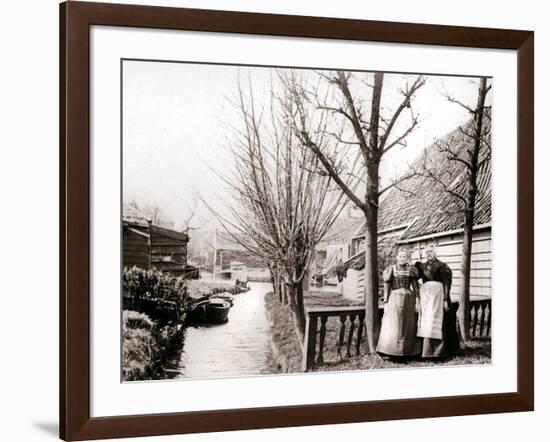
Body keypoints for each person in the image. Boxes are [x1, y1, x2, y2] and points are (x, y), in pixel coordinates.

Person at [415, 243, 460, 358]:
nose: (429, 254)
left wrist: (445, 300)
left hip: (439, 297)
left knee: (440, 321)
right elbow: (414, 278)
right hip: (427, 298)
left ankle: (439, 352)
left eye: (431, 252)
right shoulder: (422, 266)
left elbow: (446, 284)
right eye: (427, 252)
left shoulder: (442, 266)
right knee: (427, 321)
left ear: (435, 253)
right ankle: (426, 351)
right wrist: (418, 291)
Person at [376, 247, 421, 358]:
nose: (402, 258)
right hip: (395, 299)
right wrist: (386, 302)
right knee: (394, 324)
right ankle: (391, 351)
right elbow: (387, 286)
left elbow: (415, 286)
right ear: (397, 258)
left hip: (408, 300)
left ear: (407, 258)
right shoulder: (391, 269)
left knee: (408, 324)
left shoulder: (411, 269)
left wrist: (417, 300)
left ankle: (408, 351)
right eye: (400, 256)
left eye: (404, 257)